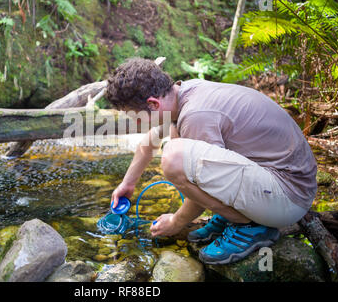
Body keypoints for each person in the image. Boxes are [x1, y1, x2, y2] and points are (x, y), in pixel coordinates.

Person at [105, 57, 317, 265]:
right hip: (281, 185)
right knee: (175, 137)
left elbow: (198, 180)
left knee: (174, 157)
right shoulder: (183, 93)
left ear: (153, 103)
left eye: (136, 118)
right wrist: (128, 183)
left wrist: (176, 222)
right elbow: (150, 141)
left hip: (288, 199)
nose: (137, 123)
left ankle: (250, 226)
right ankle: (233, 214)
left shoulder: (196, 114)